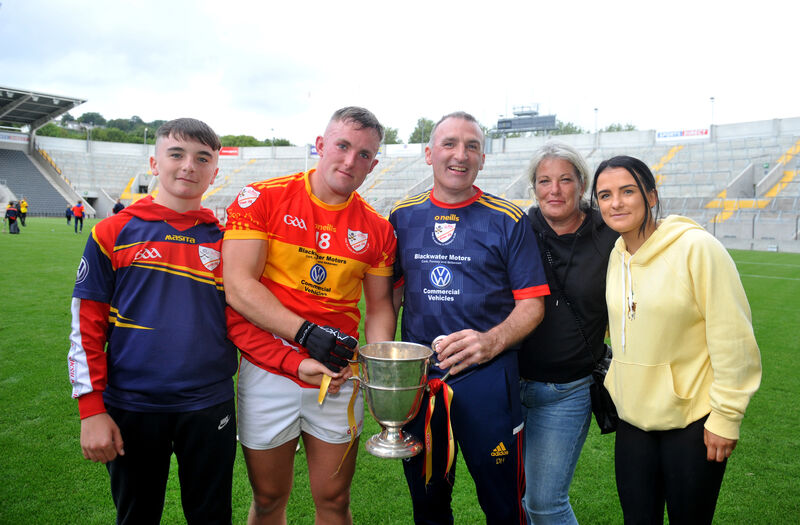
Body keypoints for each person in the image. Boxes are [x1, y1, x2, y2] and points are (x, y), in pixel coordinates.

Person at [223, 106, 397, 525]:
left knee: (334, 500)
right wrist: (306, 335)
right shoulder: (262, 198)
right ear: (320, 145)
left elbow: (378, 308)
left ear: (373, 164)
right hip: (269, 366)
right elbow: (239, 287)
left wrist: (375, 370)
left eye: (365, 154)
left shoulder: (378, 229)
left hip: (338, 375)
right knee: (267, 498)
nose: (350, 160)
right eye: (343, 146)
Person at [67, 118, 238, 524]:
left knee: (212, 517)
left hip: (209, 403)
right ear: (154, 161)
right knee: (137, 516)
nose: (188, 166)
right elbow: (85, 327)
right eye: (176, 154)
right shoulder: (112, 231)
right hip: (133, 405)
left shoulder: (227, 240)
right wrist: (91, 410)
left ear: (215, 171)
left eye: (202, 158)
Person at [389, 111, 549, 525]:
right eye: (449, 144)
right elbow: (388, 294)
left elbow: (532, 304)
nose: (460, 155)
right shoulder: (402, 217)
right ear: (428, 154)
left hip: (489, 382)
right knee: (427, 504)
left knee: (502, 504)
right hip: (422, 382)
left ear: (483, 158)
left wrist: (489, 343)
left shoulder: (507, 219)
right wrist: (390, 371)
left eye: (472, 146)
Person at [591, 155, 762, 524]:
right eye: (605, 195)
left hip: (693, 423)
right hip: (633, 422)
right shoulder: (616, 255)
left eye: (627, 191)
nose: (615, 202)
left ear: (651, 196)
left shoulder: (697, 248)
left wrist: (726, 418)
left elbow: (733, 337)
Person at [518, 141, 618, 524]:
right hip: (510, 384)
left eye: (564, 180)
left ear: (582, 184)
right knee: (514, 496)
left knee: (544, 502)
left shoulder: (608, 234)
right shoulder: (519, 229)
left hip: (566, 390)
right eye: (544, 181)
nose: (554, 190)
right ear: (534, 187)